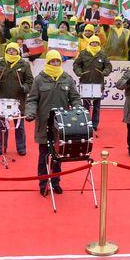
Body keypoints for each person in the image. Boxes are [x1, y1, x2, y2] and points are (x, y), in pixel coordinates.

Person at [24, 50, 83, 196]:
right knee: (44, 155)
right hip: (44, 124)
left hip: (62, 125)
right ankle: (43, 184)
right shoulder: (39, 79)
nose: (55, 63)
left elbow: (75, 98)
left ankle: (56, 182)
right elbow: (32, 100)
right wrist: (30, 113)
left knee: (58, 156)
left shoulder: (67, 78)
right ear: (48, 62)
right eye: (52, 61)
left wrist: (78, 109)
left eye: (57, 61)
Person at [0, 41, 33, 156]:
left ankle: (21, 147)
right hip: (2, 100)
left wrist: (26, 88)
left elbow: (30, 81)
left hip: (19, 100)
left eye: (13, 50)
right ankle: (1, 147)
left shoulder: (24, 64)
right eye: (9, 50)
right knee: (2, 126)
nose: (11, 51)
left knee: (20, 126)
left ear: (18, 51)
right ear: (6, 51)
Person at [73, 36, 112, 131]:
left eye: (96, 43)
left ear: (99, 44)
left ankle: (94, 124)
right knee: (85, 105)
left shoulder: (102, 54)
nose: (94, 44)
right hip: (85, 82)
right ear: (89, 43)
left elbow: (108, 66)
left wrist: (105, 72)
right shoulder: (83, 53)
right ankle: (85, 122)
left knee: (97, 105)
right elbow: (76, 64)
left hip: (98, 84)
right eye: (92, 43)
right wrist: (78, 72)